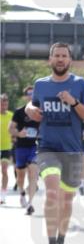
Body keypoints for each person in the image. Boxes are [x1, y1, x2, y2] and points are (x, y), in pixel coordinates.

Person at [26, 42, 84, 244]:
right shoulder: (41, 85)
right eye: (56, 55)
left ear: (70, 60)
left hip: (73, 150)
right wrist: (30, 109)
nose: (60, 59)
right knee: (52, 193)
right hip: (47, 147)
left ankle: (61, 243)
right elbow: (32, 106)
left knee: (66, 200)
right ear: (50, 59)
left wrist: (73, 102)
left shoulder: (80, 84)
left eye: (64, 56)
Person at [9, 85, 40, 214]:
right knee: (20, 176)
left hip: (34, 147)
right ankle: (22, 193)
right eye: (29, 93)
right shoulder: (19, 112)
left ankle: (30, 204)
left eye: (33, 93)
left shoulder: (40, 112)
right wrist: (18, 133)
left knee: (33, 173)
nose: (31, 95)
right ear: (25, 96)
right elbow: (11, 128)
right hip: (21, 147)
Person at [0, 93, 12, 204]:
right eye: (1, 104)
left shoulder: (11, 116)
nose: (3, 106)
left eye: (5, 104)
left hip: (6, 148)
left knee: (4, 170)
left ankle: (2, 195)